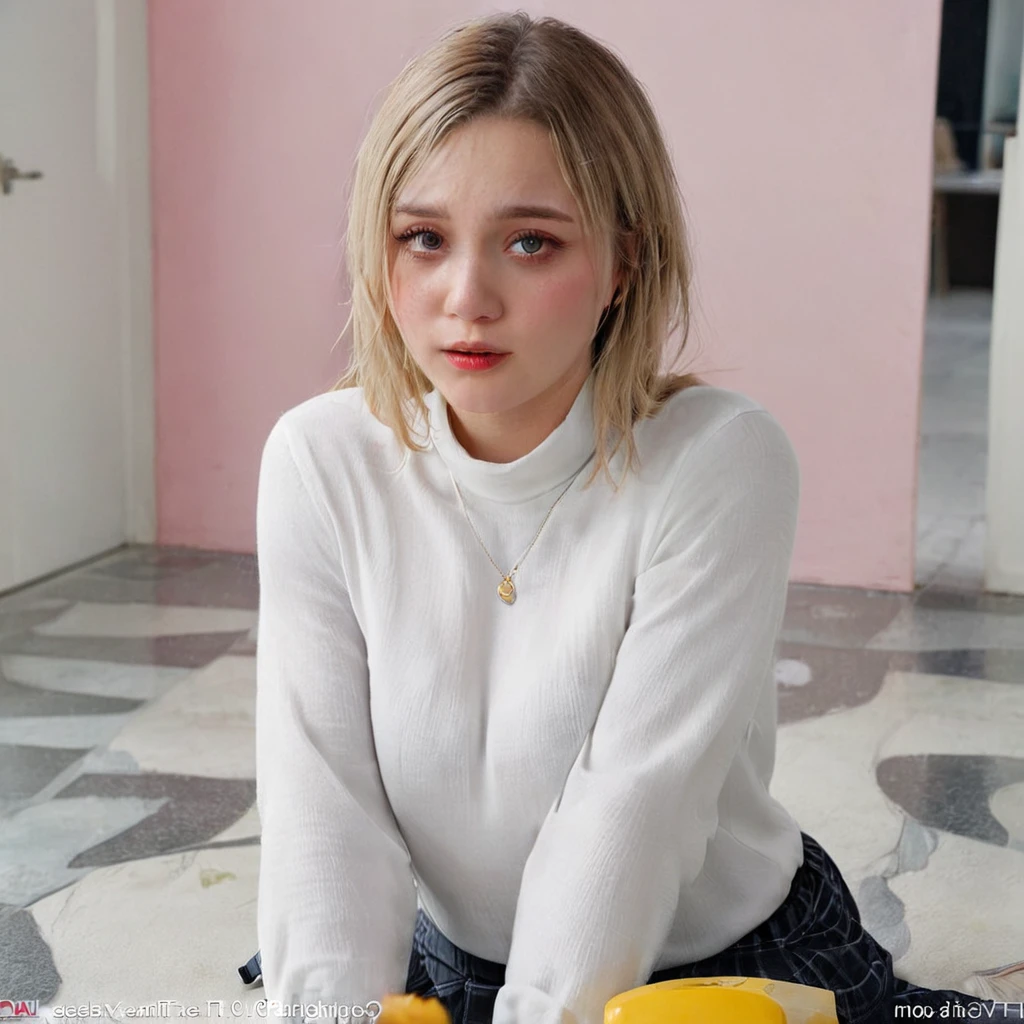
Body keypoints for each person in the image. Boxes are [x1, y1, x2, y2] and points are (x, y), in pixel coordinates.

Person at [252, 12, 1017, 1024]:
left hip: (717, 957)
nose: (464, 297)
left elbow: (631, 809)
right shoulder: (319, 458)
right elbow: (323, 803)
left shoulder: (719, 458)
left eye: (530, 241)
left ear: (622, 260)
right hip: (454, 962)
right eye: (422, 238)